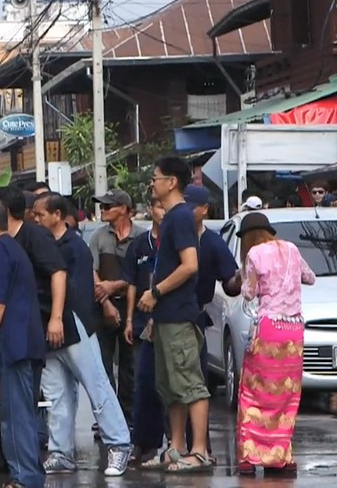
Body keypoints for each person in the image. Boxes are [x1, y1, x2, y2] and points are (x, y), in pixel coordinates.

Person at [29, 192, 131, 476]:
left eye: (40, 215)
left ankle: (119, 444)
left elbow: (76, 293)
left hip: (73, 326)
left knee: (96, 384)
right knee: (56, 394)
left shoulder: (74, 247)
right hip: (49, 329)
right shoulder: (45, 245)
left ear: (58, 216)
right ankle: (60, 451)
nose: (36, 219)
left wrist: (59, 319)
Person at [138, 156, 212, 473]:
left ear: (171, 182)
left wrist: (156, 292)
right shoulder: (171, 217)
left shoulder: (180, 216)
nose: (152, 182)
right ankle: (177, 447)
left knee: (190, 384)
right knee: (171, 386)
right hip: (166, 316)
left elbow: (190, 265)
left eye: (155, 177)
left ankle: (198, 451)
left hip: (180, 315)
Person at [0, 197, 46, 488]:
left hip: (13, 345)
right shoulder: (12, 248)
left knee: (15, 416)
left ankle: (25, 478)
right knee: (23, 413)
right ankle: (29, 475)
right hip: (26, 342)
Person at [235, 212, 313, 476]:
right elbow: (310, 277)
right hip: (293, 332)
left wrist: (241, 276)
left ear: (247, 237)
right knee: (286, 396)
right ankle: (281, 456)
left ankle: (250, 455)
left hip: (268, 329)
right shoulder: (291, 248)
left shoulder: (253, 256)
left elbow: (248, 292)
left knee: (254, 392)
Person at [183, 186, 241, 454]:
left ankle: (200, 447)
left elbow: (230, 283)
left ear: (204, 209)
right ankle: (165, 445)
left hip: (193, 319)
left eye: (191, 205)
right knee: (164, 386)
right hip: (161, 318)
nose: (186, 210)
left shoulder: (213, 243)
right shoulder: (171, 236)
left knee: (196, 384)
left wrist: (239, 278)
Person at [122, 196, 167, 466]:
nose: (163, 212)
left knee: (171, 386)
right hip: (142, 321)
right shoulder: (140, 245)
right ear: (150, 210)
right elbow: (130, 284)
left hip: (171, 321)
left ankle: (176, 443)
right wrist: (129, 319)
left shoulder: (178, 242)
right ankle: (143, 442)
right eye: (159, 207)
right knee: (143, 383)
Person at [91, 189, 140, 426]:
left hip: (133, 306)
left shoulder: (141, 237)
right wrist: (106, 300)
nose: (103, 210)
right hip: (102, 308)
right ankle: (109, 419)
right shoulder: (99, 237)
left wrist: (115, 286)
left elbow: (140, 275)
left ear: (123, 209)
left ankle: (128, 417)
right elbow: (92, 273)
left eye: (108, 206)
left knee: (131, 366)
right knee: (103, 366)